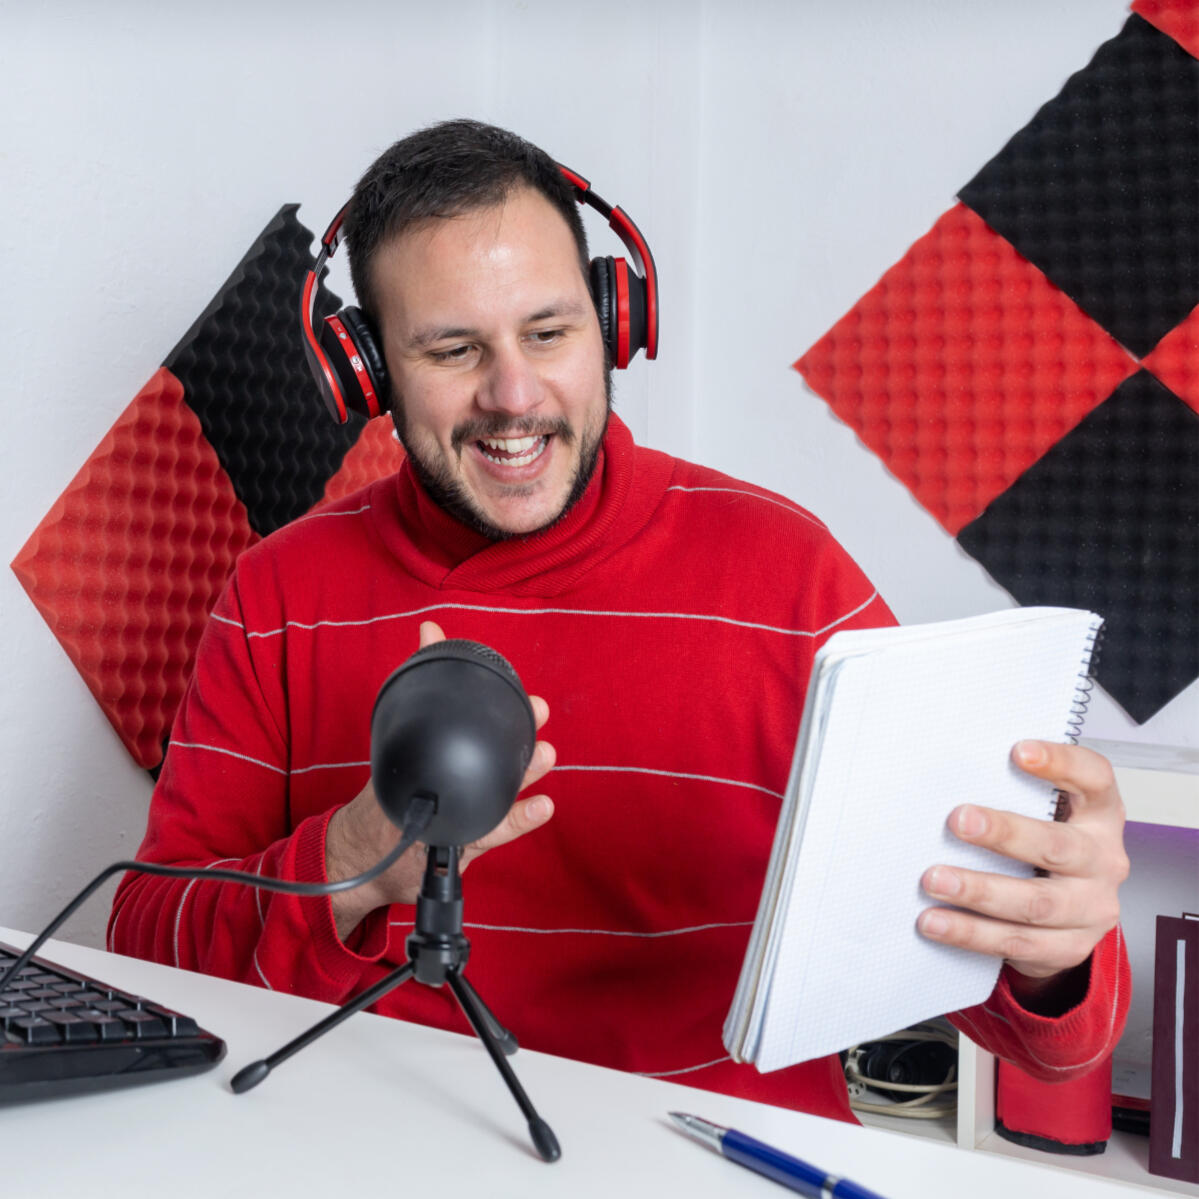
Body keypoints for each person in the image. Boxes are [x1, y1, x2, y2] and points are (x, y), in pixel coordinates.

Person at [110, 119, 1130, 1123]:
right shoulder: (276, 595)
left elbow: (1050, 1043)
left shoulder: (789, 576)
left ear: (613, 321)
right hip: (375, 1152)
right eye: (453, 348)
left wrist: (1055, 948)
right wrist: (351, 861)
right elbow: (144, 947)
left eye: (548, 333)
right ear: (365, 371)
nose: (514, 395)